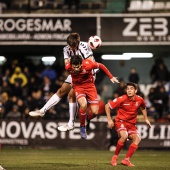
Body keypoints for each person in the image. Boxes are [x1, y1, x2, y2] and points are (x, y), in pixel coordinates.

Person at [29, 33, 97, 131]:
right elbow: (67, 64)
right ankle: (42, 111)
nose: (72, 49)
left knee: (71, 95)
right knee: (62, 90)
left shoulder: (85, 46)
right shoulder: (65, 49)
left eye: (74, 47)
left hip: (87, 75)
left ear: (78, 43)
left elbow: (90, 63)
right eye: (70, 46)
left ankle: (71, 123)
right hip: (75, 72)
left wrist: (78, 77)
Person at [65, 55, 119, 138]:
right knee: (83, 105)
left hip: (90, 87)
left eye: (78, 67)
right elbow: (67, 62)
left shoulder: (88, 64)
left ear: (81, 64)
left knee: (95, 112)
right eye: (74, 67)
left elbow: (101, 65)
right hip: (78, 87)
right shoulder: (68, 66)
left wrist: (110, 77)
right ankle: (82, 126)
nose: (76, 69)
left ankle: (87, 118)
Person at [105, 82, 151, 167]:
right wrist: (109, 120)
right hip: (120, 121)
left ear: (136, 91)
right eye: (128, 89)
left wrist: (146, 119)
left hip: (131, 124)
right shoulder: (121, 99)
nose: (129, 90)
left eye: (131, 89)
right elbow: (107, 106)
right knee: (124, 135)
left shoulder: (139, 99)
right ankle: (114, 157)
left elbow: (143, 107)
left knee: (137, 139)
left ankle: (126, 160)